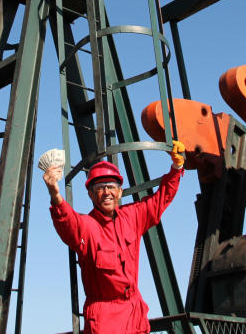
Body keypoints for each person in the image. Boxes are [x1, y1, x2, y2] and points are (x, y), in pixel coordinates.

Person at [43, 141, 186, 334]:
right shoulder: (86, 227)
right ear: (91, 195)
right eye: (100, 188)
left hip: (134, 314)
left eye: (111, 186)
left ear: (119, 191)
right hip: (104, 320)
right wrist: (54, 193)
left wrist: (177, 167)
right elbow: (66, 219)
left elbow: (161, 199)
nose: (107, 192)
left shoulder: (133, 216)